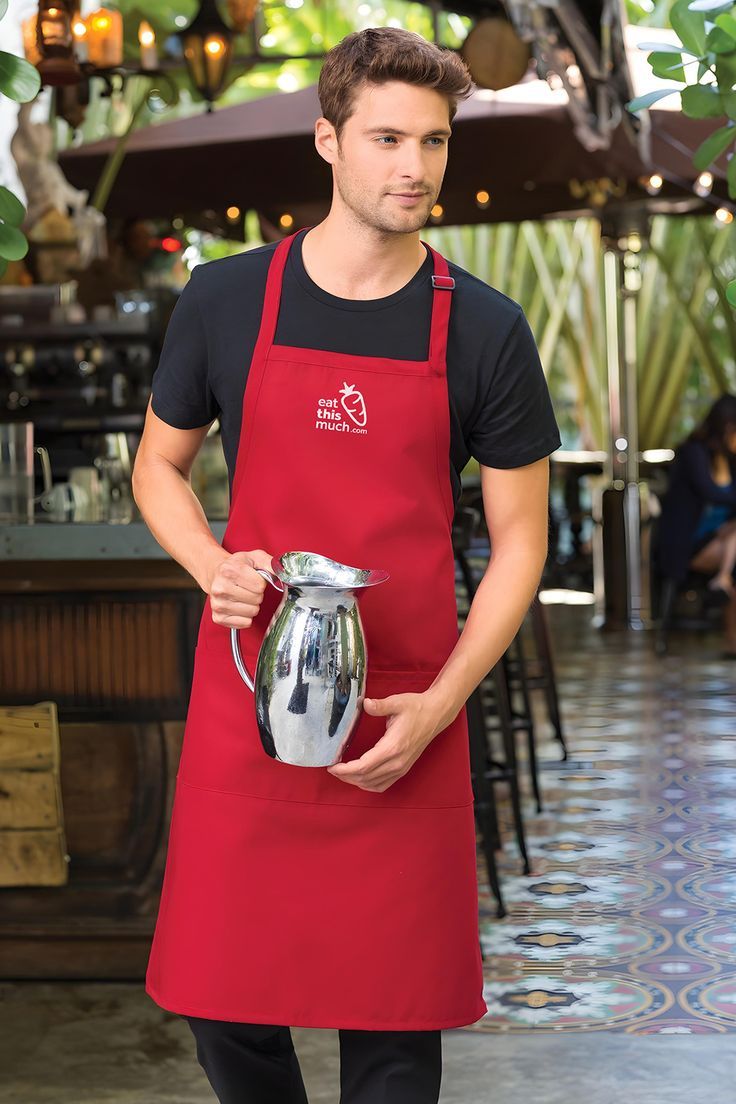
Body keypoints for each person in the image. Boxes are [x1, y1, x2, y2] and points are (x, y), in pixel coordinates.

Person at [132, 26, 561, 1104]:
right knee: (222, 1003)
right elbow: (159, 468)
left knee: (393, 1031)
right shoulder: (227, 299)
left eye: (433, 140)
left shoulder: (486, 333)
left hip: (404, 708)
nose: (412, 166)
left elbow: (521, 542)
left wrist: (443, 703)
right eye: (384, 138)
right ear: (327, 142)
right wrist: (209, 563)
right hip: (249, 703)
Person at [658, 394, 736, 654]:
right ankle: (723, 581)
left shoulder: (729, 458)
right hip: (686, 544)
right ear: (727, 426)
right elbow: (710, 492)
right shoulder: (694, 453)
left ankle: (723, 579)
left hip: (720, 539)